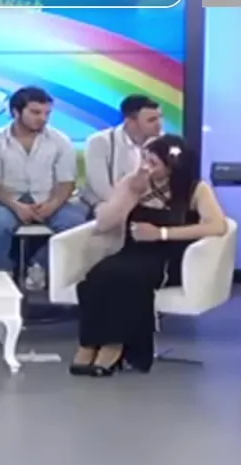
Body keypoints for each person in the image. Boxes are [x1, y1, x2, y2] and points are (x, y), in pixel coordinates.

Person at [72, 135, 228, 376]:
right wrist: (130, 193)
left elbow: (217, 226)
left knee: (129, 280)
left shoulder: (196, 189)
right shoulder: (133, 183)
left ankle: (115, 346)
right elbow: (103, 223)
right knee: (96, 277)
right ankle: (89, 344)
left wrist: (162, 233)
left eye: (153, 162)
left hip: (170, 256)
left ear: (172, 166)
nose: (146, 166)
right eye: (144, 159)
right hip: (132, 251)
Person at [0, 87, 87, 282]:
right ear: (16, 112)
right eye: (36, 112)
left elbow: (66, 182)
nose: (43, 118)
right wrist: (17, 206)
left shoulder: (60, 141)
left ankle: (38, 266)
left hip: (49, 198)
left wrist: (52, 205)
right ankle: (1, 277)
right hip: (6, 201)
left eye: (47, 113)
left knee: (75, 225)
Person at [82, 94, 164, 207]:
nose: (159, 125)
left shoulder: (165, 142)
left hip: (151, 206)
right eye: (151, 120)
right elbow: (101, 189)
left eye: (160, 118)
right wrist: (129, 208)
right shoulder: (100, 142)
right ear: (130, 122)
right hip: (108, 206)